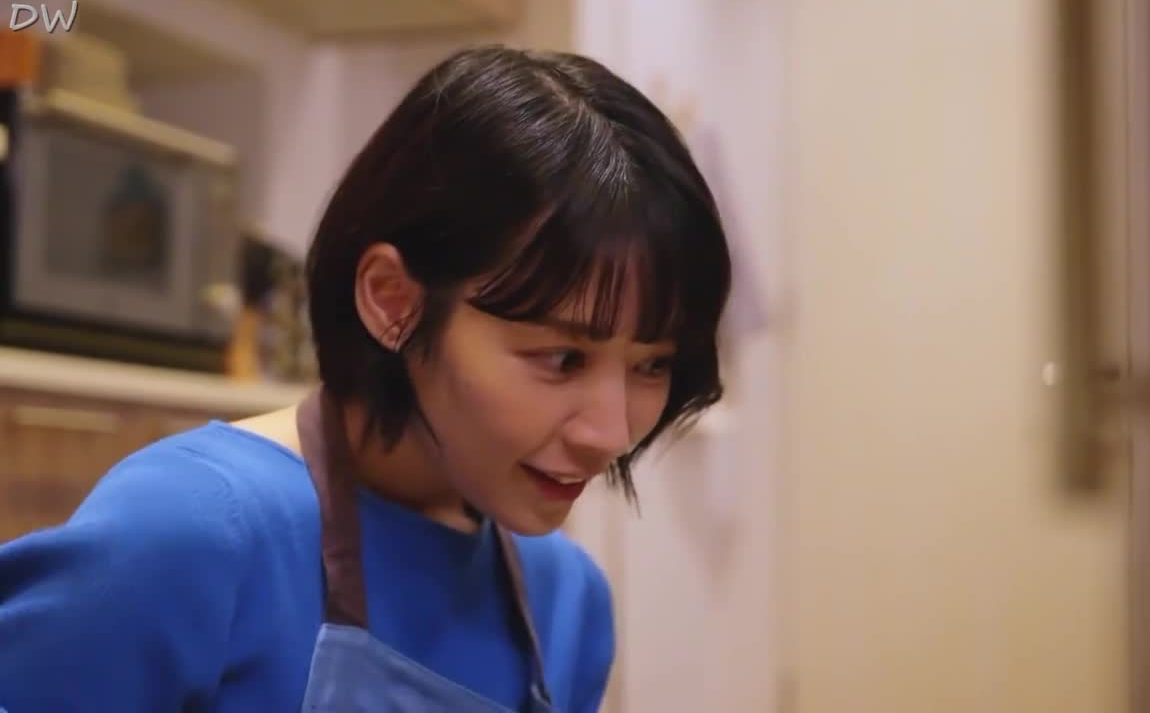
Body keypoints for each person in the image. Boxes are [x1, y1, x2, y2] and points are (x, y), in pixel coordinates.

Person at [0, 45, 731, 712]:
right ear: (393, 301)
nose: (609, 433)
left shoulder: (566, 603)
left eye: (652, 364)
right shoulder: (188, 533)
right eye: (563, 359)